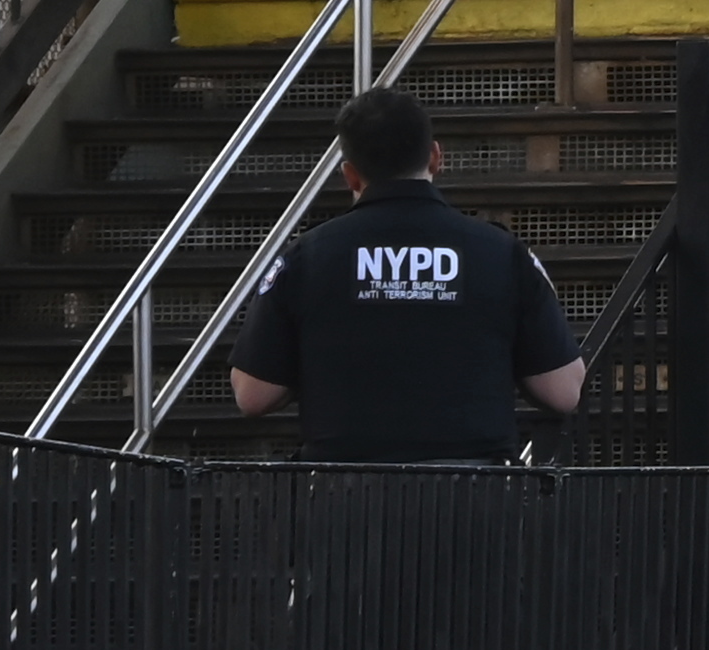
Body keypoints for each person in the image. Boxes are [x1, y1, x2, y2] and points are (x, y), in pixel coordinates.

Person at [224, 86, 585, 462]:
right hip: (475, 500)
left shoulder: (307, 257)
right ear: (434, 157)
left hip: (346, 501)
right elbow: (563, 391)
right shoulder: (504, 255)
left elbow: (253, 395)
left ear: (350, 175)